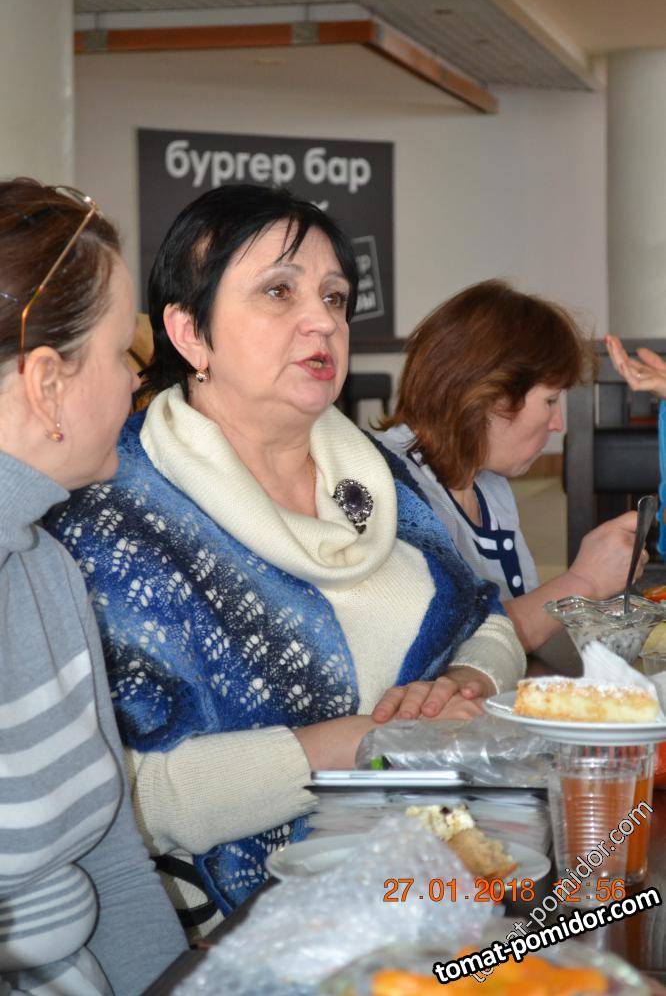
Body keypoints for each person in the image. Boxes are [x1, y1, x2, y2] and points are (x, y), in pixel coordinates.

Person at [47, 185, 525, 932]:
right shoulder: (115, 512)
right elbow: (121, 799)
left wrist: (464, 682)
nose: (322, 321)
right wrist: (344, 748)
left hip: (448, 870)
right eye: (279, 291)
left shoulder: (373, 472)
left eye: (334, 298)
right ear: (190, 333)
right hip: (248, 934)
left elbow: (485, 619)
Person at [0, 179, 186, 994]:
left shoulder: (45, 566)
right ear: (48, 383)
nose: (135, 384)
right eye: (122, 354)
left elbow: (110, 859)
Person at [375, 280, 645, 656]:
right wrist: (584, 581)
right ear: (492, 396)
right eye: (550, 401)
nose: (557, 424)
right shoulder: (389, 485)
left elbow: (512, 633)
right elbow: (450, 651)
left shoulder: (488, 485)